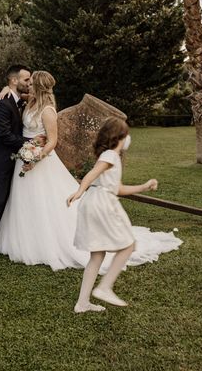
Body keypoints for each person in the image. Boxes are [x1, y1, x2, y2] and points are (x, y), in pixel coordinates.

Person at [0, 71, 182, 275]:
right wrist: (6, 88)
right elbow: (15, 95)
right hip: (25, 155)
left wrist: (35, 160)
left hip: (39, 161)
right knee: (24, 201)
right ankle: (25, 238)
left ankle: (48, 242)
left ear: (38, 87)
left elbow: (53, 141)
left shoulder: (48, 110)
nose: (28, 85)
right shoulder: (30, 102)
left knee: (43, 201)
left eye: (31, 83)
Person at [67, 117, 160, 312]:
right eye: (127, 135)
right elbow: (92, 174)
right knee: (128, 245)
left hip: (96, 201)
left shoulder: (110, 157)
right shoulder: (110, 156)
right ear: (119, 137)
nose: (129, 139)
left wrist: (144, 186)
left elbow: (117, 188)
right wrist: (79, 191)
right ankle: (105, 287)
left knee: (97, 255)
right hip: (102, 204)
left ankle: (82, 303)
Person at [0, 64, 34, 259]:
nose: (29, 83)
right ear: (14, 81)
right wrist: (31, 142)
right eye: (26, 80)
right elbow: (4, 135)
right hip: (2, 161)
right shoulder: (2, 104)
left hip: (20, 161)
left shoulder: (21, 100)